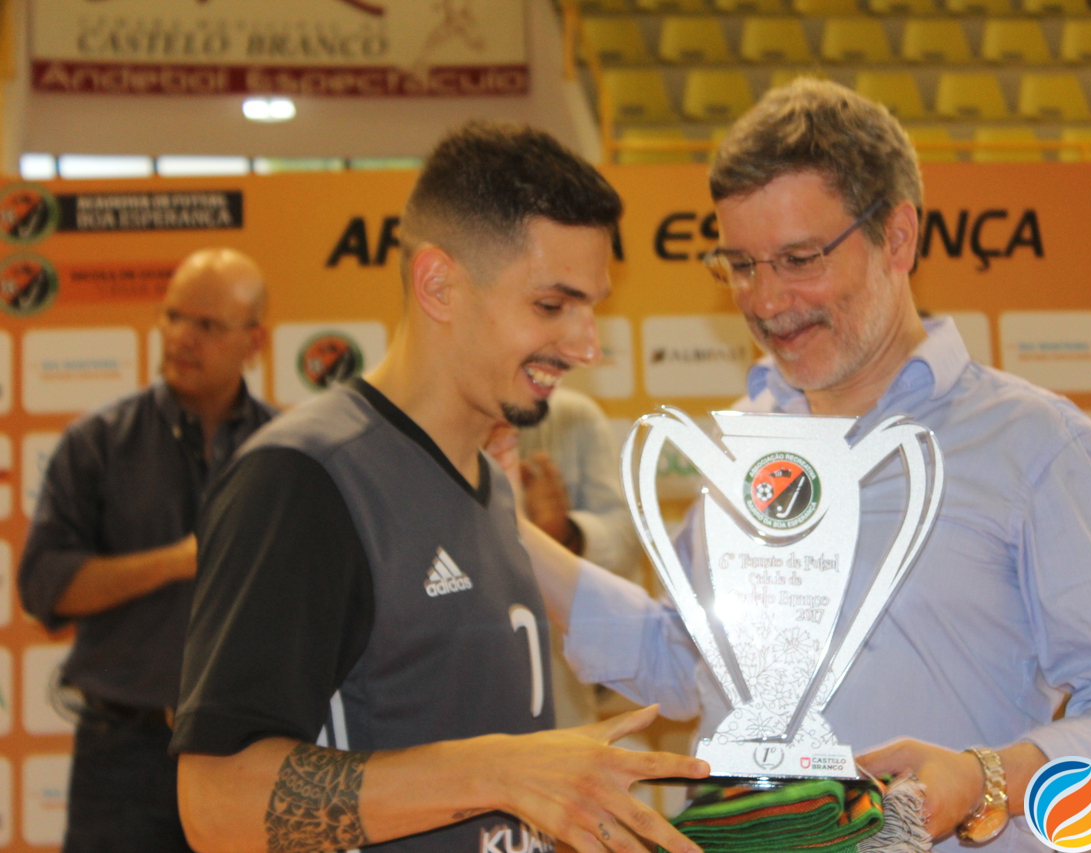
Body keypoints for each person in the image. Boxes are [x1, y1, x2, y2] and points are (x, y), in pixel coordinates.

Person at [520, 79, 1091, 852]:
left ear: (897, 237)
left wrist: (989, 780)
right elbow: (682, 656)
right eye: (739, 264)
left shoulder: (1036, 444)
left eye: (798, 259)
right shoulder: (749, 443)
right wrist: (502, 531)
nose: (767, 300)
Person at [170, 122, 708, 853]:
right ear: (439, 283)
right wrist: (495, 770)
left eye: (592, 307)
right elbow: (216, 802)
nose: (586, 345)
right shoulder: (305, 477)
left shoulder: (485, 478)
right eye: (552, 306)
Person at [18, 247, 275, 853]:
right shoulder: (97, 443)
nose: (182, 337)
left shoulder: (287, 453)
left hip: (249, 753)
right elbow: (43, 585)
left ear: (255, 341)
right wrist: (177, 561)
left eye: (206, 325)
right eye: (173, 317)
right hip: (121, 754)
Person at [516, 386, 642, 729]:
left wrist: (565, 535)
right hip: (440, 719)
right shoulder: (403, 417)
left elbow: (626, 542)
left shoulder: (572, 415)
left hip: (560, 709)